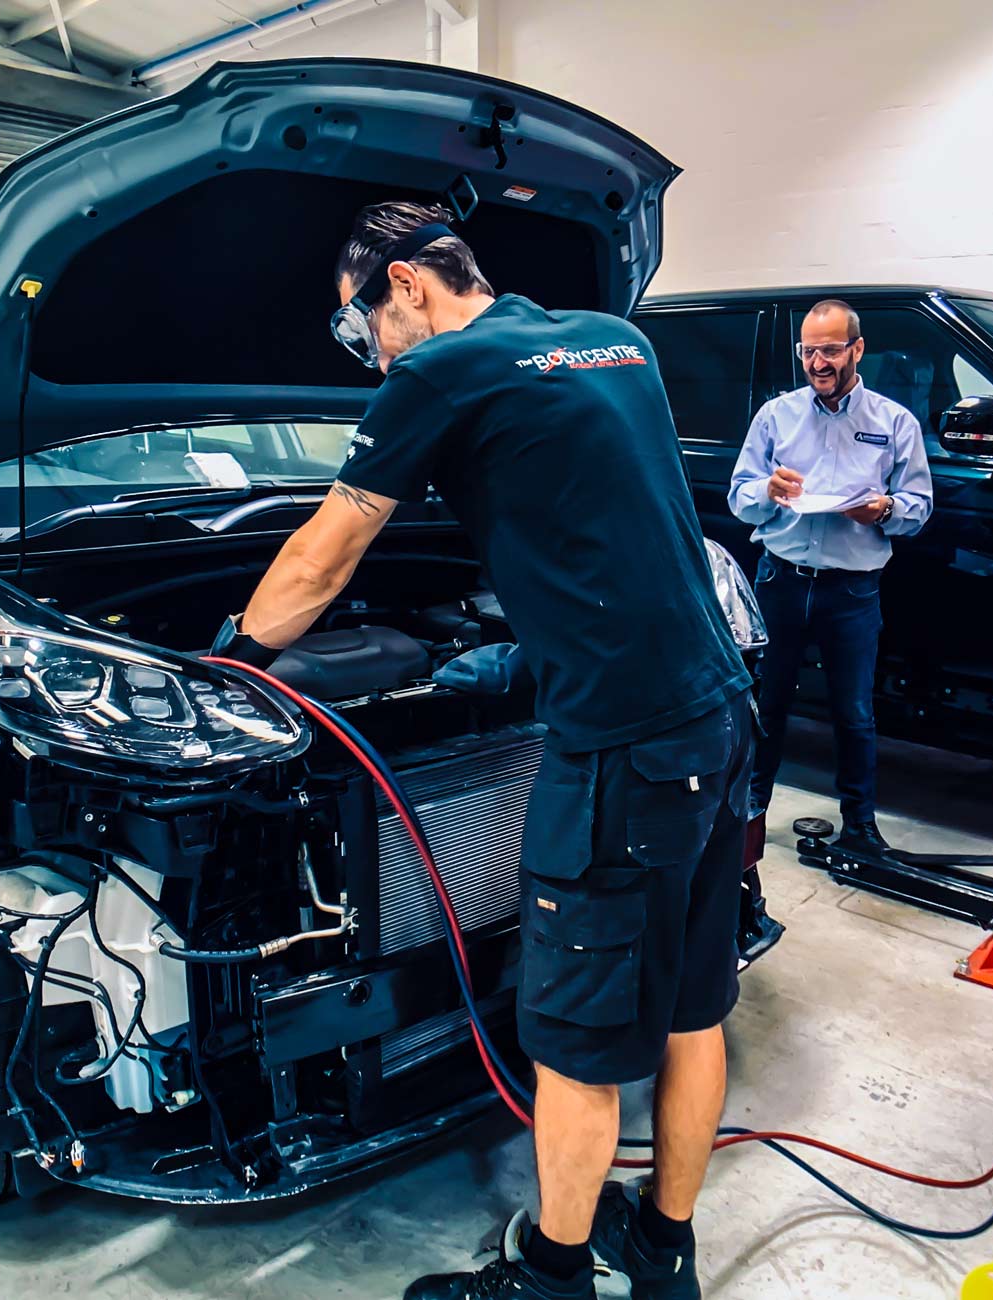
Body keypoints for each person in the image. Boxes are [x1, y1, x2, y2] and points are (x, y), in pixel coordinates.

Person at [216, 201, 753, 1300]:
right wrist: (528, 652)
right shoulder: (618, 338)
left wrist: (227, 657)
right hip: (717, 712)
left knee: (573, 1042)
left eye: (361, 326)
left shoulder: (438, 375)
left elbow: (324, 559)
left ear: (405, 283)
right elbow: (609, 522)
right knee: (696, 1008)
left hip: (620, 753)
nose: (369, 353)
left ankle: (552, 1277)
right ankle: (664, 1251)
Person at [726, 300, 933, 856]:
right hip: (782, 582)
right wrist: (767, 493)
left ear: (857, 350)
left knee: (854, 712)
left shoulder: (894, 423)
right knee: (764, 704)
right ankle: (748, 810)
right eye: (809, 351)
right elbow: (739, 498)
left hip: (852, 591)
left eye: (831, 350)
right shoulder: (776, 417)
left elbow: (919, 506)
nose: (818, 362)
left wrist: (885, 510)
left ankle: (860, 825)